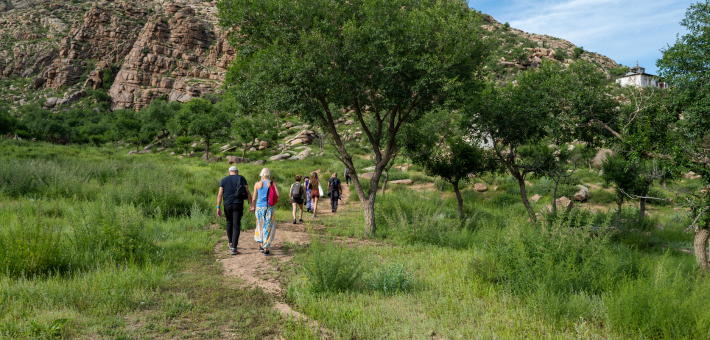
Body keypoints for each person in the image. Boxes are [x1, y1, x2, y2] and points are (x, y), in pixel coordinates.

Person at [217, 166, 253, 255]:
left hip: (227, 205)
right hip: (238, 204)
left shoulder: (224, 180)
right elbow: (247, 192)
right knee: (236, 225)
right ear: (237, 172)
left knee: (229, 223)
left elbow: (220, 194)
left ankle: (230, 243)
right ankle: (234, 248)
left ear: (229, 172)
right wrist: (252, 204)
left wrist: (218, 207)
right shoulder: (241, 178)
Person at [251, 168, 280, 256]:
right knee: (267, 227)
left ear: (261, 174)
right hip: (269, 208)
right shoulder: (272, 183)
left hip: (259, 208)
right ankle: (266, 249)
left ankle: (261, 245)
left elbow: (254, 198)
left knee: (260, 225)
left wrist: (252, 206)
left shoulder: (257, 184)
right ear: (269, 174)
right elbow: (278, 195)